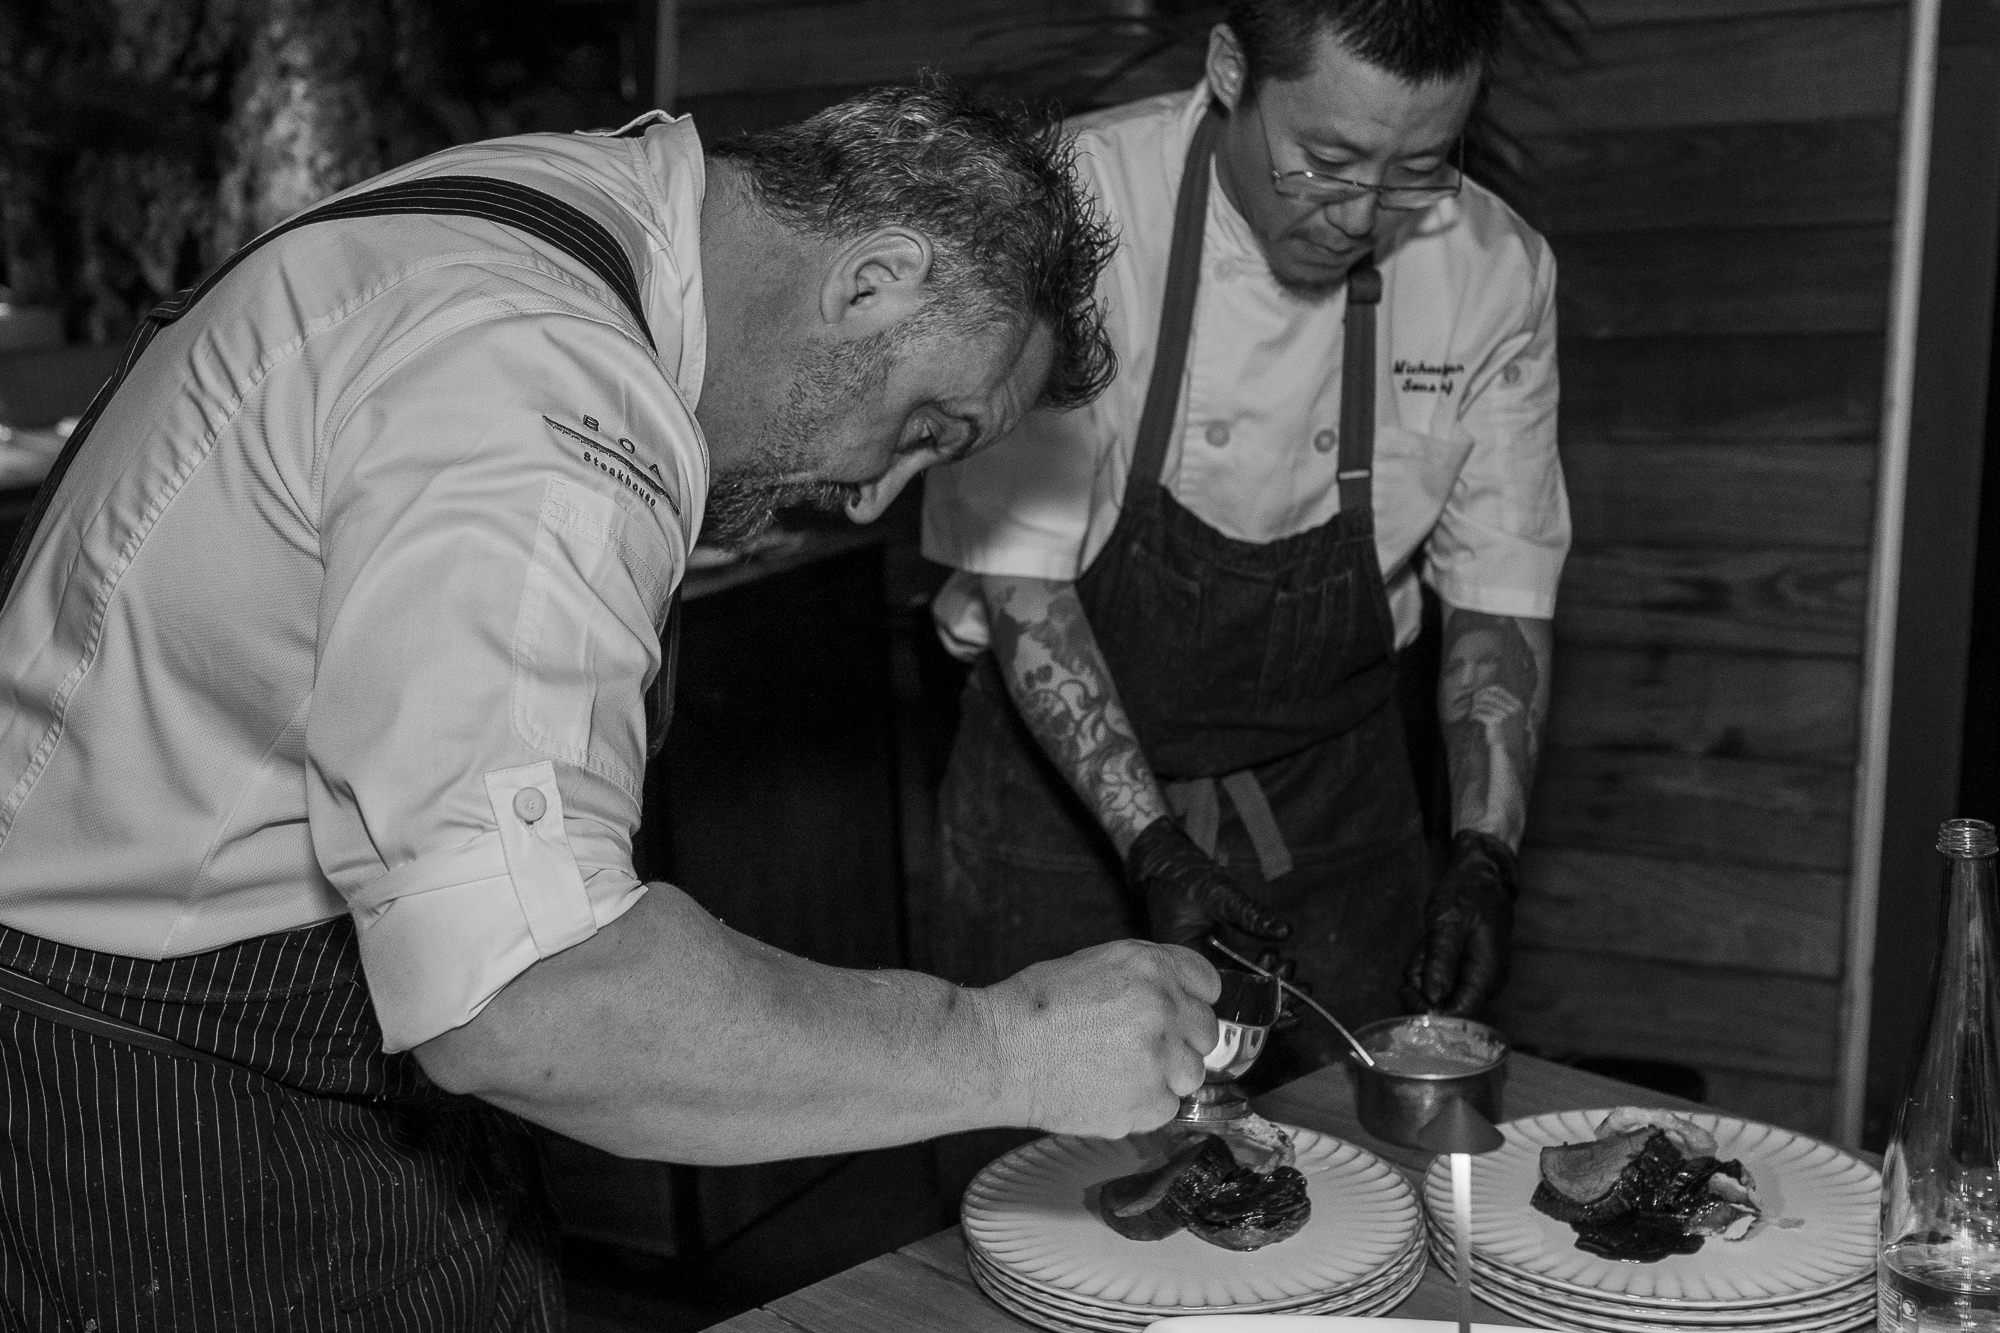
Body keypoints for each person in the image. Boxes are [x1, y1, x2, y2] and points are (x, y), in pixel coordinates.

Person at [0, 83, 1225, 1331]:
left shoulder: (589, 198)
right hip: (167, 1096)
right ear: (872, 281)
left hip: (248, 1012)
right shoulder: (546, 377)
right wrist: (1010, 1046)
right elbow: (539, 997)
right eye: (923, 423)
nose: (873, 496)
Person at [921, 0, 1568, 1077]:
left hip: (1334, 797)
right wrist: (1153, 843)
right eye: (1325, 160)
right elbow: (1023, 586)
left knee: (1349, 1170)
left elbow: (1496, 591)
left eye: (1416, 167)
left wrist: (1482, 855)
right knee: (1046, 1185)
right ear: (1228, 67)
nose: (1364, 214)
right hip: (1061, 811)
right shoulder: (1066, 211)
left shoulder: (1491, 271)